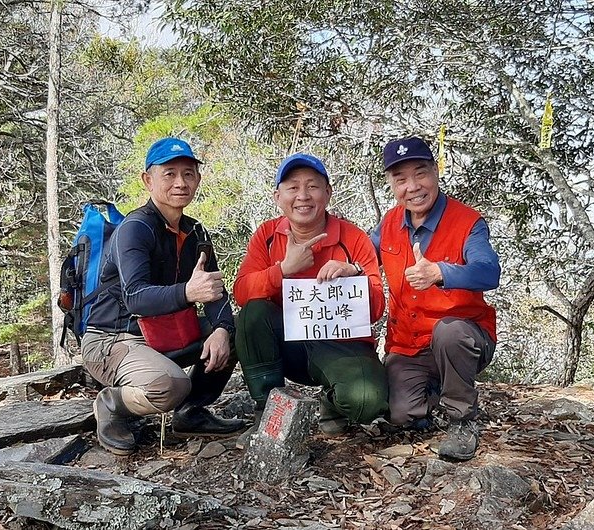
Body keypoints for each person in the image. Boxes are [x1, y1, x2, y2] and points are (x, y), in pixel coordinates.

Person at [82, 137, 244, 455]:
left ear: (197, 179)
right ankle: (112, 404)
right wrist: (187, 291)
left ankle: (191, 413)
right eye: (169, 174)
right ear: (148, 180)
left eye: (188, 173)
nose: (180, 182)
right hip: (114, 340)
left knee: (238, 330)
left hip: (166, 334)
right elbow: (136, 298)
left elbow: (214, 293)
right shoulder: (135, 229)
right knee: (172, 386)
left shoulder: (195, 232)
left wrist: (223, 329)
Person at [233, 153, 388, 442]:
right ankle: (266, 412)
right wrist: (284, 270)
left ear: (328, 193)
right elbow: (241, 291)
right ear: (278, 196)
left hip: (340, 344)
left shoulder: (353, 238)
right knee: (253, 314)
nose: (303, 196)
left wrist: (353, 274)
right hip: (288, 342)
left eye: (313, 186)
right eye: (293, 187)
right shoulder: (267, 235)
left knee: (368, 402)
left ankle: (332, 404)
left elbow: (377, 307)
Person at [371, 137, 500, 461]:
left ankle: (462, 419)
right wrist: (346, 266)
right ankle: (431, 395)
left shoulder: (468, 222)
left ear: (436, 171)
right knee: (402, 416)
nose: (412, 187)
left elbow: (489, 272)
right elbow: (364, 257)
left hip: (463, 337)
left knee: (450, 332)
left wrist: (440, 273)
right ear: (391, 184)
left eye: (420, 173)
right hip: (410, 345)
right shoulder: (388, 223)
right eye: (400, 179)